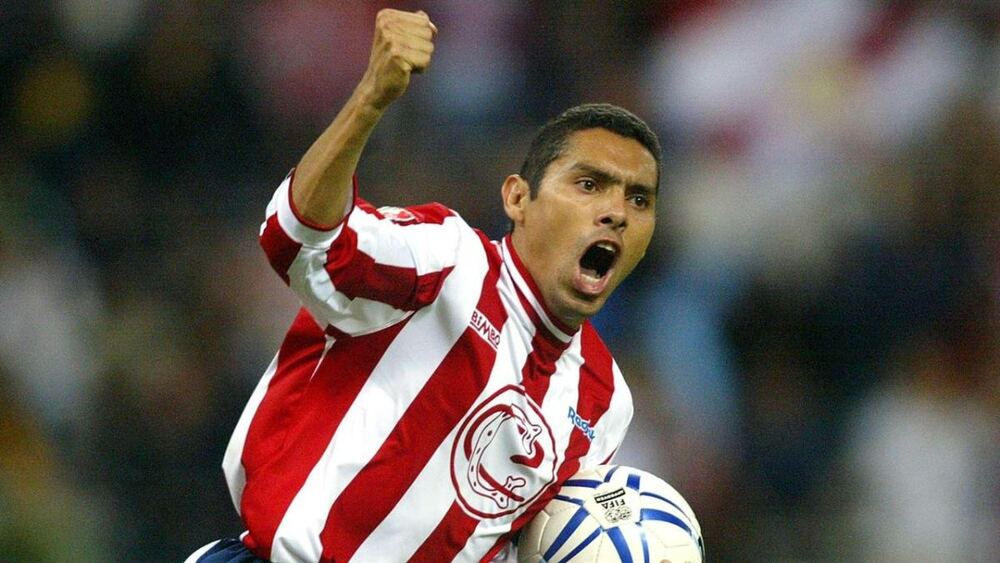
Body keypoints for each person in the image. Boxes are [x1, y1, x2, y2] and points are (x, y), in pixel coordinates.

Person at [188, 8, 661, 563]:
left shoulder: (605, 403)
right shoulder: (446, 258)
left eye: (638, 199)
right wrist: (370, 98)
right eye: (589, 184)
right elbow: (296, 239)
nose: (616, 213)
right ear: (518, 198)